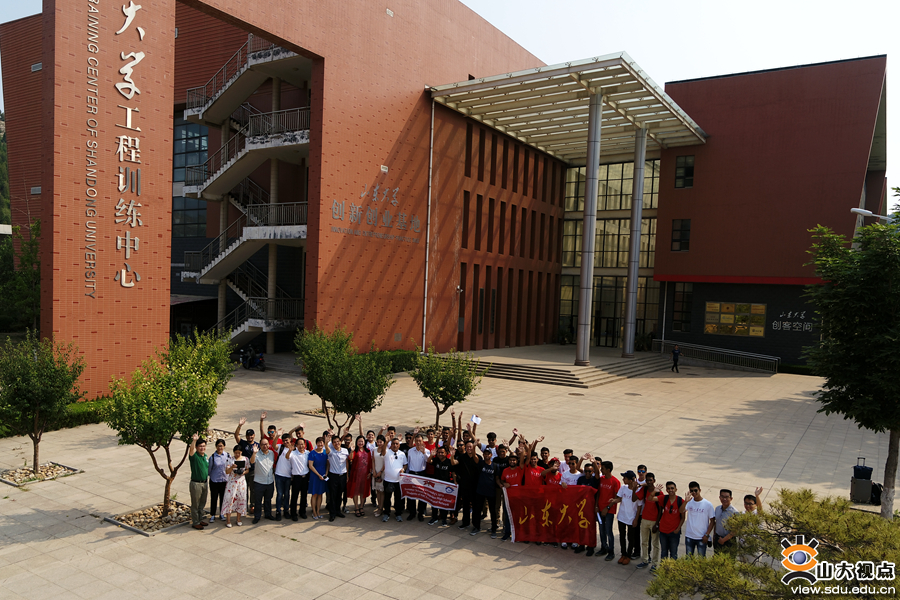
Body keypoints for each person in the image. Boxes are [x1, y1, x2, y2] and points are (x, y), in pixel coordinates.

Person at [609, 470, 640, 564]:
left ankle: (628, 555)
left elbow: (639, 506)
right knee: (622, 536)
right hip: (622, 516)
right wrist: (614, 500)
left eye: (625, 478)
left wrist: (636, 519)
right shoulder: (623, 487)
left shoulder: (638, 491)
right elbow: (620, 498)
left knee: (631, 538)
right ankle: (623, 554)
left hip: (631, 518)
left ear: (631, 480)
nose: (623, 479)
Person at [634, 473, 664, 569]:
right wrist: (635, 488)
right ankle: (645, 560)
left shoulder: (659, 493)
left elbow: (661, 509)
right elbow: (634, 498)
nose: (649, 482)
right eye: (647, 480)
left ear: (654, 481)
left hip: (654, 520)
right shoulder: (644, 489)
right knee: (644, 542)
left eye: (651, 480)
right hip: (644, 519)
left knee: (655, 544)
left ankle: (654, 564)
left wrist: (657, 523)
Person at [573, 456, 600, 555]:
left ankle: (591, 546)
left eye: (589, 471)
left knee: (591, 528)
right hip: (581, 507)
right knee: (581, 526)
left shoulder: (595, 480)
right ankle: (581, 544)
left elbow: (597, 473)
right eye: (586, 471)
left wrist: (594, 462)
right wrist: (581, 459)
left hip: (591, 507)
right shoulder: (581, 479)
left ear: (592, 472)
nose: (587, 473)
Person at [681, 481, 715, 556]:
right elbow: (681, 511)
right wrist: (685, 502)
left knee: (701, 559)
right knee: (688, 559)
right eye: (691, 491)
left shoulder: (708, 504)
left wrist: (707, 534)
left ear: (700, 490)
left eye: (695, 490)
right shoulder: (689, 502)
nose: (694, 492)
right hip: (689, 536)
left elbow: (712, 521)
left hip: (701, 537)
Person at [454, 441, 482, 531]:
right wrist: (451, 455)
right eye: (468, 447)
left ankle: (476, 526)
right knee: (465, 505)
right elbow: (454, 463)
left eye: (471, 447)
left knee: (476, 507)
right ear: (465, 448)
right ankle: (465, 523)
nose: (469, 448)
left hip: (476, 486)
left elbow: (476, 460)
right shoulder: (462, 457)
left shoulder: (478, 457)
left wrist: (474, 448)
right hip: (465, 485)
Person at [233, 417, 259, 512]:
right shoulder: (243, 443)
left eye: (251, 435)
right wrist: (239, 425)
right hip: (243, 470)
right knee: (243, 489)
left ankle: (252, 505)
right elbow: (236, 435)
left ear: (254, 435)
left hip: (253, 470)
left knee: (253, 489)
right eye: (248, 435)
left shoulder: (257, 445)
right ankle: (243, 505)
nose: (249, 437)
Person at [597, 460, 621, 561]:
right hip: (600, 509)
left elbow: (617, 497)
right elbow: (598, 493)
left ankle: (611, 552)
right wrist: (597, 506)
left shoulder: (615, 481)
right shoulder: (601, 479)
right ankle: (604, 547)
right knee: (601, 530)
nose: (601, 470)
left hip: (609, 511)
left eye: (603, 468)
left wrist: (607, 508)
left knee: (608, 531)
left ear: (608, 469)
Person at [473, 446, 499, 537]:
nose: (487, 455)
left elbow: (497, 478)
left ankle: (493, 529)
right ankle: (476, 527)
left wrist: (501, 485)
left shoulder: (495, 466)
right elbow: (474, 456)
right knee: (477, 510)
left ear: (491, 455)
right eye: (485, 454)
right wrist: (474, 446)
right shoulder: (481, 463)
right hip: (480, 491)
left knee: (493, 511)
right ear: (483, 455)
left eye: (488, 454)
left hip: (491, 492)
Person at [497, 451, 523, 541]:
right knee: (508, 515)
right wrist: (504, 483)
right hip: (508, 498)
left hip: (518, 498)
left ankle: (517, 533)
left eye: (514, 460)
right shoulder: (505, 470)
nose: (512, 462)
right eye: (511, 460)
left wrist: (523, 451)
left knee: (517, 516)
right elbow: (502, 480)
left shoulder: (520, 469)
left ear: (517, 461)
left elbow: (523, 461)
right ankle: (507, 533)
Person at [656, 481, 685, 564]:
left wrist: (678, 529)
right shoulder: (664, 498)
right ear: (666, 490)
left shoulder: (680, 501)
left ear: (676, 489)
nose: (670, 490)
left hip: (674, 532)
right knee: (664, 552)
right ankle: (663, 569)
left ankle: (673, 570)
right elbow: (651, 498)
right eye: (668, 488)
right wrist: (655, 491)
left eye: (672, 488)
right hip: (663, 531)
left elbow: (683, 517)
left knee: (673, 553)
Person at [558, 455, 583, 549]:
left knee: (575, 522)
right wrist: (562, 485)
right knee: (565, 521)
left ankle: (574, 540)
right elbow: (560, 486)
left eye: (573, 463)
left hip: (577, 502)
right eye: (569, 463)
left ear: (576, 464)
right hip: (566, 502)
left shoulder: (580, 474)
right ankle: (564, 539)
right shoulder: (565, 474)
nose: (571, 465)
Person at [250, 436, 276, 524]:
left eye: (266, 444)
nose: (265, 446)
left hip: (270, 481)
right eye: (263, 444)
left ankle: (268, 514)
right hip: (259, 482)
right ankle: (257, 516)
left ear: (268, 444)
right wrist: (254, 453)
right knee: (258, 501)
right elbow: (252, 461)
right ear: (260, 445)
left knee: (268, 500)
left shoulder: (271, 453)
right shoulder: (257, 454)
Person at [324, 431, 349, 522]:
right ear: (332, 443)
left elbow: (347, 463)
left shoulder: (345, 451)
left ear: (340, 442)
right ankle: (332, 513)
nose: (336, 443)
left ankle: (338, 511)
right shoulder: (331, 451)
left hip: (342, 476)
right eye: (334, 442)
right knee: (333, 495)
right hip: (333, 476)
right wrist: (326, 442)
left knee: (339, 495)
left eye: (338, 441)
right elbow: (327, 449)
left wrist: (347, 475)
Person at [406, 433, 431, 521]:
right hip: (412, 473)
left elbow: (428, 461)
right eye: (416, 441)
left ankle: (421, 513)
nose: (418, 442)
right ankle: (412, 513)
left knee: (422, 495)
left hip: (421, 474)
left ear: (422, 441)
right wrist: (407, 474)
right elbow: (408, 462)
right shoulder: (410, 451)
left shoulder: (426, 451)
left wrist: (424, 453)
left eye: (420, 441)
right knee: (411, 494)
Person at [382, 437, 407, 522]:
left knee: (398, 499)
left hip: (398, 481)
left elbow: (405, 464)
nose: (395, 445)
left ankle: (398, 514)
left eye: (397, 444)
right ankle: (386, 513)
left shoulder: (402, 454)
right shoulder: (387, 452)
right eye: (393, 444)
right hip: (388, 480)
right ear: (391, 445)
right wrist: (386, 442)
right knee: (387, 499)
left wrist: (403, 469)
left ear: (399, 445)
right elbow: (383, 451)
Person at [221, 445, 247, 527]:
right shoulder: (230, 460)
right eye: (236, 453)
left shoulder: (245, 459)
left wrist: (243, 472)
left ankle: (238, 519)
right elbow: (227, 472)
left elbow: (247, 469)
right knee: (229, 500)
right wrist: (232, 467)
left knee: (240, 499)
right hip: (232, 483)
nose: (237, 454)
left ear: (241, 452)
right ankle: (228, 520)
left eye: (239, 453)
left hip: (241, 482)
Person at [428, 445, 454, 526]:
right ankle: (434, 517)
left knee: (444, 503)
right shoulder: (436, 460)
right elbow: (429, 461)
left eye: (442, 452)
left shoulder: (449, 462)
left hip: (445, 486)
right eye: (439, 452)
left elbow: (453, 472)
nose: (440, 454)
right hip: (436, 485)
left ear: (446, 453)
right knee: (434, 501)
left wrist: (455, 482)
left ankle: (444, 519)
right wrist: (432, 455)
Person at [188, 434, 209, 530]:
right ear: (197, 447)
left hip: (205, 483)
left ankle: (200, 519)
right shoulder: (194, 456)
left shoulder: (205, 456)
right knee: (195, 504)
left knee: (202, 503)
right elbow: (191, 450)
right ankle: (195, 522)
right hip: (196, 483)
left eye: (204, 446)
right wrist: (194, 441)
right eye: (200, 446)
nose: (202, 448)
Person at [347, 435, 372, 517]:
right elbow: (350, 458)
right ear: (356, 442)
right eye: (359, 441)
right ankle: (356, 507)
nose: (360, 443)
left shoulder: (368, 451)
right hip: (356, 474)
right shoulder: (355, 451)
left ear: (364, 442)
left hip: (365, 475)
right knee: (355, 490)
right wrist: (351, 451)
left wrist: (370, 472)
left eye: (362, 441)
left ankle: (361, 506)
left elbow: (370, 462)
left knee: (363, 491)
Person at [288, 433, 310, 520]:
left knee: (304, 496)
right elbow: (287, 457)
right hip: (296, 478)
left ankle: (302, 512)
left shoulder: (307, 453)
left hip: (305, 477)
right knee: (294, 496)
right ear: (296, 445)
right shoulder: (293, 453)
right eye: (299, 444)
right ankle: (293, 513)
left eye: (302, 444)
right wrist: (289, 450)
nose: (301, 446)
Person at [207, 439, 230, 523]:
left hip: (224, 480)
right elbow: (209, 470)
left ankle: (222, 513)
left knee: (223, 498)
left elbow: (229, 466)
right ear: (216, 446)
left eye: (221, 446)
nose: (220, 448)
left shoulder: (227, 456)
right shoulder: (212, 457)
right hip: (215, 480)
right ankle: (213, 514)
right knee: (214, 498)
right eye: (218, 446)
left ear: (224, 446)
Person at [307, 437, 329, 519]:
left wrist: (326, 473)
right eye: (319, 442)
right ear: (316, 443)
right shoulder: (312, 453)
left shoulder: (325, 452)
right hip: (315, 476)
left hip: (323, 476)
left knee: (320, 494)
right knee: (314, 494)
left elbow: (328, 464)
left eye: (322, 442)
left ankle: (318, 511)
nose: (320, 444)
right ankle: (314, 512)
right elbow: (310, 465)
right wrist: (318, 475)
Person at [273, 434, 293, 521]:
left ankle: (286, 510)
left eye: (287, 440)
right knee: (280, 494)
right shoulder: (281, 447)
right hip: (279, 475)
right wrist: (277, 436)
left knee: (287, 494)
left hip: (288, 476)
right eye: (284, 440)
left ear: (290, 440)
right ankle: (278, 511)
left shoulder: (294, 449)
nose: (285, 442)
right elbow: (274, 446)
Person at [371, 435, 386, 517]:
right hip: (375, 472)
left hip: (382, 472)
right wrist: (374, 471)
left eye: (381, 442)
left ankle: (381, 508)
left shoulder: (386, 451)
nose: (379, 443)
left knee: (382, 491)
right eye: (378, 441)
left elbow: (386, 463)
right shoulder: (374, 449)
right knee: (377, 491)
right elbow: (373, 461)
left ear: (384, 442)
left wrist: (380, 472)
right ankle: (379, 506)